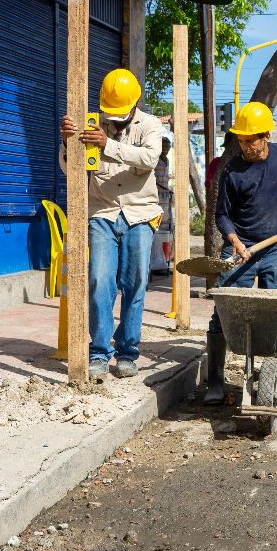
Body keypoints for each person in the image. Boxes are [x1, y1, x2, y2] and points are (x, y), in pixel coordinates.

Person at [204, 102, 277, 404]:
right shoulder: (232, 171)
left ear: (266, 135)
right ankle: (214, 381)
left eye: (251, 139)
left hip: (274, 247)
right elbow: (222, 215)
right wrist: (236, 243)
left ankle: (273, 375)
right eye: (241, 140)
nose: (246, 146)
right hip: (241, 249)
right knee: (223, 313)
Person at [60, 69, 163, 379]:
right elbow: (72, 170)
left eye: (120, 115)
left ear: (134, 104)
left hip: (140, 214)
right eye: (111, 115)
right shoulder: (92, 125)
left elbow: (149, 159)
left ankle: (128, 351)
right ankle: (100, 351)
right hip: (102, 213)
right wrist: (68, 144)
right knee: (100, 282)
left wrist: (109, 145)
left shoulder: (150, 126)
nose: (114, 121)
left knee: (135, 285)